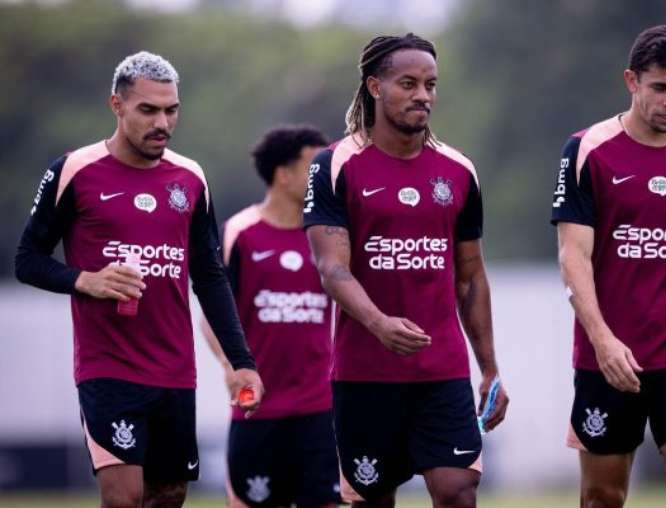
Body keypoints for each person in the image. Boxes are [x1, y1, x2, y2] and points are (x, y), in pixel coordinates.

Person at [15, 51, 262, 508]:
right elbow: (27, 260)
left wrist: (241, 359)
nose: (162, 122)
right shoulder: (73, 171)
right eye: (148, 110)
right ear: (117, 105)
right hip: (107, 367)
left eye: (171, 110)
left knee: (168, 495)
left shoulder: (190, 178)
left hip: (174, 369)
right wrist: (83, 280)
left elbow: (209, 275)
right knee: (123, 497)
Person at [303, 33, 509, 508]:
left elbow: (471, 276)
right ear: (375, 87)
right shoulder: (333, 165)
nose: (423, 95)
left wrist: (490, 369)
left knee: (459, 490)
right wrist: (379, 325)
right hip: (364, 376)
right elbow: (331, 268)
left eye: (431, 85)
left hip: (442, 373)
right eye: (409, 83)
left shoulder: (459, 171)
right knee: (372, 500)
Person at [551, 25, 666, 507]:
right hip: (609, 359)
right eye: (660, 88)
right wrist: (603, 341)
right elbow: (573, 256)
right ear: (632, 80)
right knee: (602, 498)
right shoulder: (588, 150)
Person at [202, 125, 342, 508]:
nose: (322, 177)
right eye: (314, 168)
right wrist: (230, 365)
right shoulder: (239, 233)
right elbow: (212, 315)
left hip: (320, 408)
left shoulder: (329, 236)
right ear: (283, 174)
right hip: (257, 406)